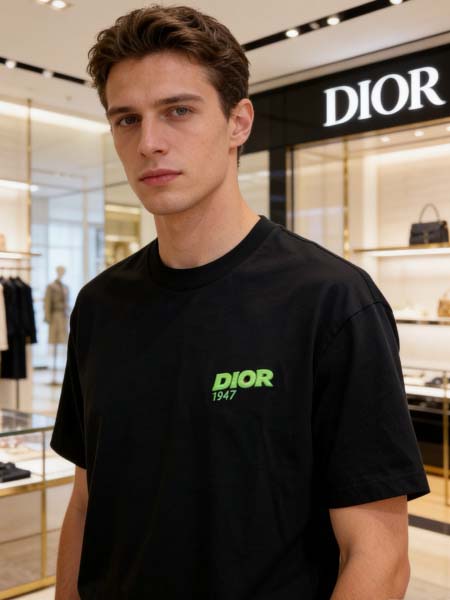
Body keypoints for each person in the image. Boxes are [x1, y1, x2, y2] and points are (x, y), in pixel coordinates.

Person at [50, 5, 430, 599]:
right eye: (127, 119)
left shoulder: (333, 302)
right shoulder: (99, 305)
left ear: (238, 123)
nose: (149, 142)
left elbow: (378, 555)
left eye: (178, 110)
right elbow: (84, 501)